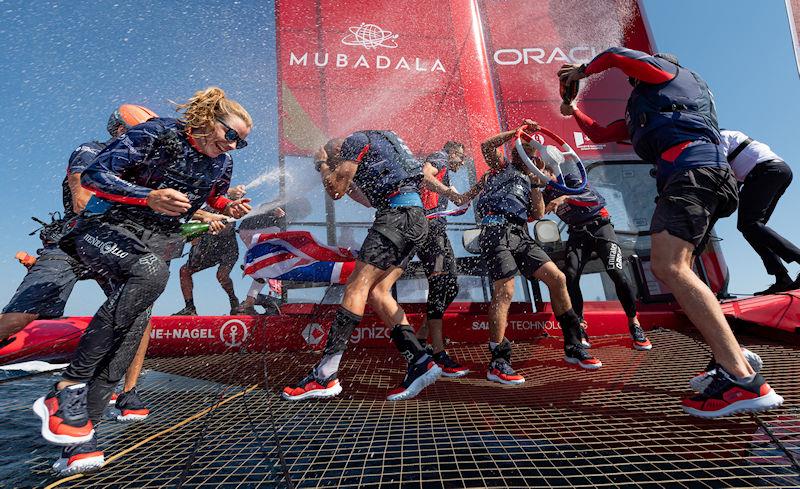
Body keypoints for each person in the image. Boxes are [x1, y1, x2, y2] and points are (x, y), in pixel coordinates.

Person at [34, 87, 252, 476]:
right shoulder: (157, 133)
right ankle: (67, 388)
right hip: (107, 229)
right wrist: (149, 196)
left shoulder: (221, 164)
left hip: (156, 243)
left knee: (132, 334)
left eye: (243, 142)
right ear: (207, 122)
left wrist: (226, 206)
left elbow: (211, 200)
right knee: (149, 275)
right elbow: (96, 176)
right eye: (231, 135)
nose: (235, 146)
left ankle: (80, 436)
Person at [559, 47, 783, 418]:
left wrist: (581, 72)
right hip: (702, 178)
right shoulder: (648, 109)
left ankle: (743, 381)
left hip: (693, 174)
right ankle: (729, 354)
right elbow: (601, 132)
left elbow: (615, 54)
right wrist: (574, 112)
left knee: (669, 267)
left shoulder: (671, 75)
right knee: (682, 268)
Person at [282, 130, 441, 402]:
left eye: (336, 159)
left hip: (396, 217)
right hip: (415, 221)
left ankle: (325, 374)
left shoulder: (353, 141)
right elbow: (363, 196)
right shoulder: (385, 143)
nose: (336, 163)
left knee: (357, 286)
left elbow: (335, 190)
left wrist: (321, 164)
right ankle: (420, 361)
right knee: (379, 292)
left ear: (336, 148)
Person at [0, 105, 157, 349]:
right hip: (75, 241)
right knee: (19, 317)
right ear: (119, 131)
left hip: (113, 246)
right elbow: (81, 202)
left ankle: (128, 388)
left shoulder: (139, 169)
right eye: (138, 137)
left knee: (139, 317)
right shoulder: (91, 151)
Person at [477, 120, 602, 386]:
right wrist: (518, 132)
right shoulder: (501, 167)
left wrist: (537, 186)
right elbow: (486, 145)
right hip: (495, 231)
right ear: (517, 153)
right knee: (505, 291)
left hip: (521, 235)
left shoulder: (533, 179)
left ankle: (573, 344)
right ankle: (498, 360)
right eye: (525, 148)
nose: (531, 154)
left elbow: (537, 214)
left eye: (533, 153)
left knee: (557, 279)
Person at [542, 170, 652, 351]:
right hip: (578, 233)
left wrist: (564, 198)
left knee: (616, 271)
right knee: (569, 274)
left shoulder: (569, 178)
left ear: (550, 169)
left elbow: (593, 198)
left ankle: (634, 323)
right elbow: (534, 214)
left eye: (542, 170)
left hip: (601, 226)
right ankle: (579, 325)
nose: (539, 174)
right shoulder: (545, 193)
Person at [415, 141, 472, 377]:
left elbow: (457, 198)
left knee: (452, 285)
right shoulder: (439, 157)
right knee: (439, 285)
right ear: (452, 154)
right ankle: (438, 353)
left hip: (438, 232)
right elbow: (425, 175)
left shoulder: (447, 172)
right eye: (461, 157)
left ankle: (419, 338)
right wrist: (449, 192)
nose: (462, 162)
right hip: (428, 232)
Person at [719, 129, 800, 295]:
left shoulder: (720, 137)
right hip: (777, 171)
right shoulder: (732, 137)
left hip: (766, 172)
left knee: (750, 224)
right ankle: (782, 278)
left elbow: (721, 168)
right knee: (751, 228)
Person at [174, 184, 247, 316]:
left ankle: (233, 300)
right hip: (207, 248)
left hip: (228, 249)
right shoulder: (197, 205)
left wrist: (237, 191)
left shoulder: (227, 205)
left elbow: (226, 227)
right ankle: (190, 308)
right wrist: (193, 237)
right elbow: (187, 228)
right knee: (184, 271)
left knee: (222, 276)